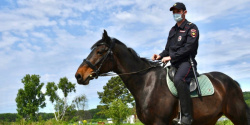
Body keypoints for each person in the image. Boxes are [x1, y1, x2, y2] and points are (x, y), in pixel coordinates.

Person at [152, 2, 199, 125]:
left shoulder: (191, 28)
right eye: (174, 12)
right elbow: (168, 49)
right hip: (174, 63)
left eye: (178, 11)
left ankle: (187, 117)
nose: (175, 14)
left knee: (179, 79)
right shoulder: (172, 30)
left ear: (185, 12)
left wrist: (170, 57)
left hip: (186, 63)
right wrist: (160, 56)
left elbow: (188, 48)